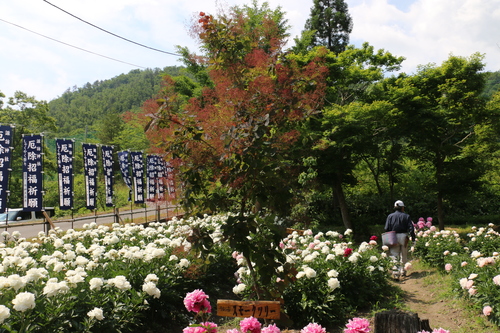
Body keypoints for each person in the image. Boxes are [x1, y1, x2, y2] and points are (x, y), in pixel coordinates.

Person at [385, 200, 416, 279]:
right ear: (402, 208)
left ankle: (396, 273)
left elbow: (386, 228)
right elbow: (411, 228)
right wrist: (413, 238)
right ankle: (403, 271)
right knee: (404, 254)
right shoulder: (406, 216)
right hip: (403, 236)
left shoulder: (390, 216)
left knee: (394, 255)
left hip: (393, 236)